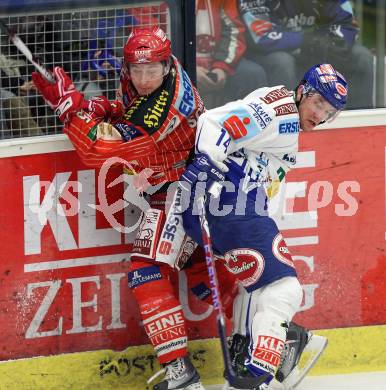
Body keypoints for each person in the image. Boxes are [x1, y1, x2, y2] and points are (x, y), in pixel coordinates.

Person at [32, 26, 238, 390]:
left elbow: (98, 151)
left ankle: (181, 372)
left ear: (166, 68)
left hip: (184, 189)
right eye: (137, 70)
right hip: (181, 186)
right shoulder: (155, 73)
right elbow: (125, 113)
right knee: (201, 275)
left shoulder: (162, 109)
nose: (143, 79)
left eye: (151, 71)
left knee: (147, 272)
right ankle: (265, 339)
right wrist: (89, 105)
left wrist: (69, 109)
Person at [180, 63, 348, 389]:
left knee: (253, 286)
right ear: (301, 92)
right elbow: (214, 122)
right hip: (232, 203)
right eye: (317, 104)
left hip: (224, 207)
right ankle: (259, 377)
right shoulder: (281, 112)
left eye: (329, 112)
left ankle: (244, 360)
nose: (320, 115)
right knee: (285, 289)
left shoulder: (285, 117)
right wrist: (205, 165)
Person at [238, 0, 372, 109]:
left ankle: (358, 123)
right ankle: (285, 121)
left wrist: (332, 42)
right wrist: (307, 41)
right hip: (268, 52)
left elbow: (347, 24)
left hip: (314, 47)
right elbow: (261, 36)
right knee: (282, 62)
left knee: (361, 56)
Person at [195, 0, 267, 109]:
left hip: (216, 60)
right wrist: (186, 70)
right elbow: (162, 40)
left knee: (252, 74)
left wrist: (221, 67)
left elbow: (233, 30)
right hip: (175, 68)